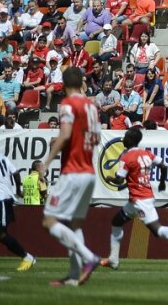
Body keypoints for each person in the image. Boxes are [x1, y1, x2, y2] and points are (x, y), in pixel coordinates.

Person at [40, 66, 102, 287]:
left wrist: (46, 162)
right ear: (82, 83)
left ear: (63, 85)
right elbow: (96, 137)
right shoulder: (91, 106)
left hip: (73, 171)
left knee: (49, 220)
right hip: (88, 172)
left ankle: (90, 258)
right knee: (74, 225)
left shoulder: (67, 104)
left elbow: (65, 134)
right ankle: (74, 277)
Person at [104, 126, 168, 269]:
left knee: (157, 230)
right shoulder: (146, 153)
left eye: (126, 137)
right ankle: (113, 259)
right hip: (138, 199)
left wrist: (110, 178)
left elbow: (119, 180)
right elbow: (163, 165)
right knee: (116, 222)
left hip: (140, 200)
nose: (123, 139)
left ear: (130, 140)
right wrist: (162, 182)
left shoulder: (127, 157)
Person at [0, 147, 34, 271]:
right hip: (4, 197)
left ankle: (27, 257)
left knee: (0, 233)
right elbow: (16, 173)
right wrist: (18, 189)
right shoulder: (2, 157)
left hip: (0, 198)